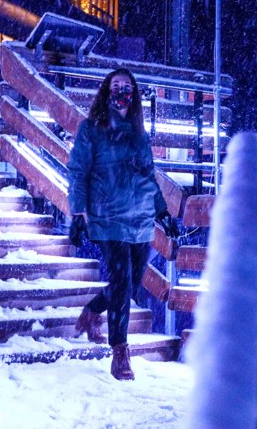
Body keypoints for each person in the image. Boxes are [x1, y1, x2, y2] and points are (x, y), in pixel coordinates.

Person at [67, 68, 180, 380]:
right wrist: (77, 213)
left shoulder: (139, 134)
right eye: (116, 85)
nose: (121, 91)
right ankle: (120, 352)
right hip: (107, 217)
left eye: (127, 86)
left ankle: (91, 313)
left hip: (140, 219)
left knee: (129, 283)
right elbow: (78, 171)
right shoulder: (91, 129)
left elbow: (148, 177)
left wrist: (163, 212)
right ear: (107, 91)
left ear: (134, 93)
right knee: (120, 278)